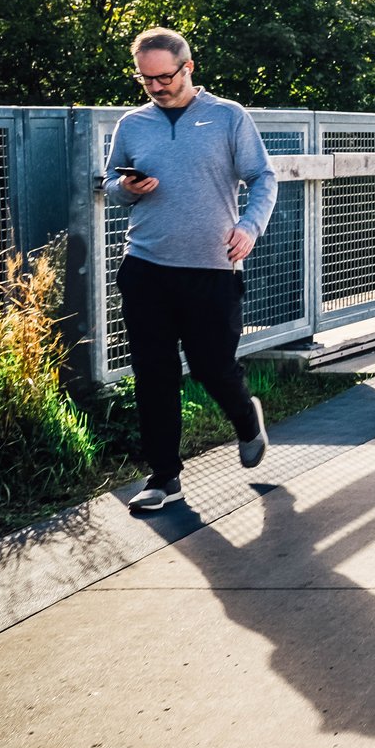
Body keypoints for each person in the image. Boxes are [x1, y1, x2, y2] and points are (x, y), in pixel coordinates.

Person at [104, 28, 278, 512]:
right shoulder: (132, 124)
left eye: (164, 77)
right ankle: (164, 477)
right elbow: (111, 181)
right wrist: (127, 189)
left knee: (211, 366)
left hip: (212, 268)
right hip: (145, 265)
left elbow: (263, 176)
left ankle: (247, 420)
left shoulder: (227, 117)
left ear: (188, 68)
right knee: (153, 374)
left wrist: (249, 226)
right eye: (146, 80)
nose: (156, 87)